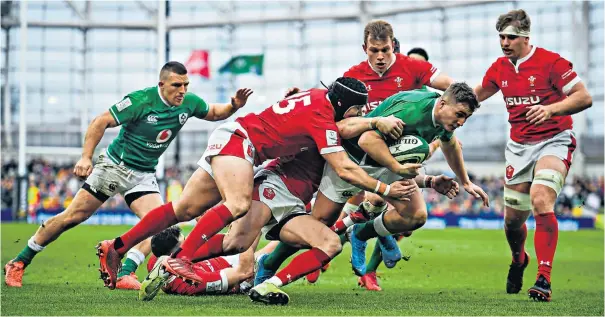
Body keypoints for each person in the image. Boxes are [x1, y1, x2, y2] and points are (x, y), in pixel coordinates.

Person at [96, 77, 415, 290]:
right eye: (358, 109)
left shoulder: (320, 99)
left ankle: (118, 247)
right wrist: (387, 189)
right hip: (241, 141)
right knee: (237, 204)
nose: (358, 114)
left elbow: (344, 125)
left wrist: (372, 120)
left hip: (235, 138)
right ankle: (183, 260)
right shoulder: (321, 118)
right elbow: (344, 167)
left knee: (183, 209)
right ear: (345, 105)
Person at [3, 61, 252, 290]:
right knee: (72, 217)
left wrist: (233, 106)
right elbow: (100, 121)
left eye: (186, 85)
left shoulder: (188, 102)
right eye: (177, 85)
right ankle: (19, 262)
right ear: (161, 84)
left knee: (162, 226)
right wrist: (86, 157)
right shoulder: (140, 101)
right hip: (115, 167)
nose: (182, 90)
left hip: (143, 174)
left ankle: (125, 272)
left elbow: (215, 113)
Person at [253, 83, 490, 299]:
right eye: (460, 115)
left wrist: (465, 181)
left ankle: (360, 232)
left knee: (415, 215)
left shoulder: (442, 118)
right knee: (318, 226)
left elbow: (449, 143)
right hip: (356, 159)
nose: (461, 122)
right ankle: (269, 263)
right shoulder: (413, 110)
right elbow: (367, 140)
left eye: (465, 118)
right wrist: (398, 168)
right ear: (442, 103)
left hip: (385, 161)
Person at [473, 9, 592, 302]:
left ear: (526, 37)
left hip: (554, 139)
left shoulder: (551, 62)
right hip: (518, 147)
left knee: (541, 199)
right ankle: (518, 261)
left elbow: (583, 97)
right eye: (501, 36)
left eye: (511, 36)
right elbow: (475, 95)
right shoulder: (499, 68)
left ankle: (544, 279)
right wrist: (443, 106)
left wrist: (551, 109)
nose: (504, 42)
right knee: (513, 221)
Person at [144, 226, 274, 296]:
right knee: (257, 235)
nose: (190, 244)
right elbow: (243, 272)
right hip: (236, 271)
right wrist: (249, 231)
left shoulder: (157, 258)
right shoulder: (194, 282)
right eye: (185, 243)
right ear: (173, 253)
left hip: (220, 259)